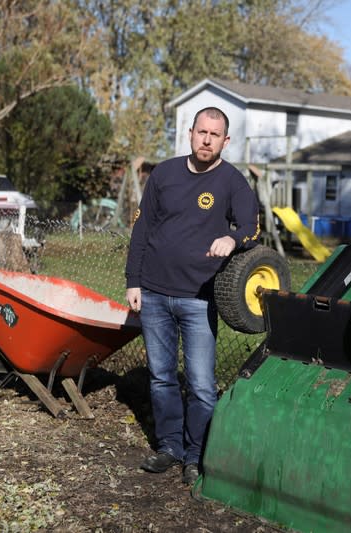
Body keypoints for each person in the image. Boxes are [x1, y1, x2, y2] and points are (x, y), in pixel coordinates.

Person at [125, 107, 260, 485]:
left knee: (201, 383)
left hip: (199, 298)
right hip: (153, 293)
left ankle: (196, 455)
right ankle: (170, 447)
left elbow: (252, 227)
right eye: (201, 132)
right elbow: (141, 230)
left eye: (214, 135)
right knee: (162, 377)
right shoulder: (164, 174)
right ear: (190, 133)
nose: (206, 139)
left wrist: (232, 238)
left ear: (225, 141)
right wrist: (133, 281)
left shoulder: (233, 182)